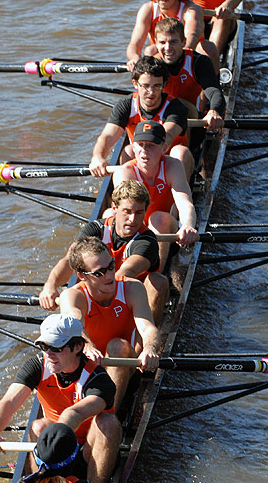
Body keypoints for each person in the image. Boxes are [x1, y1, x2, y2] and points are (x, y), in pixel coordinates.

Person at [0, 315, 121, 483]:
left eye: (56, 347)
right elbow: (8, 402)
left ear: (77, 347)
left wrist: (54, 439)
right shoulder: (37, 366)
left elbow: (75, 414)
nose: (48, 354)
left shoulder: (98, 379)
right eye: (44, 346)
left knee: (108, 423)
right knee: (38, 426)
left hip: (90, 452)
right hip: (54, 450)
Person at [39, 179, 169, 325]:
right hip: (101, 295)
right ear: (114, 207)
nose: (133, 220)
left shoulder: (147, 240)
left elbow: (127, 271)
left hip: (133, 302)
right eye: (127, 211)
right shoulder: (96, 230)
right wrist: (50, 286)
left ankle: (151, 339)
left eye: (139, 212)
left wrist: (82, 293)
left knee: (158, 281)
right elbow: (69, 261)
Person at [59, 237, 161, 413]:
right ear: (82, 275)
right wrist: (88, 346)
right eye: (99, 273)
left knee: (117, 346)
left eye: (111, 266)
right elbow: (73, 324)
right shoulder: (73, 296)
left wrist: (150, 348)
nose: (109, 276)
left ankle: (108, 414)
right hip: (91, 366)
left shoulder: (132, 288)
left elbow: (148, 328)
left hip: (126, 361)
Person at [88, 56, 194, 181]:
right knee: (128, 151)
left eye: (157, 86)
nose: (151, 92)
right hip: (140, 160)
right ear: (135, 84)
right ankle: (129, 194)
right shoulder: (126, 105)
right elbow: (107, 136)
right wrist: (98, 157)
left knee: (180, 152)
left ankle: (177, 198)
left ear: (164, 85)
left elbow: (167, 136)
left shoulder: (176, 108)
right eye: (146, 85)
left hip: (169, 166)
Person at [112, 120, 198, 270]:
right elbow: (122, 215)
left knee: (158, 218)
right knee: (108, 215)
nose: (144, 151)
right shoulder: (124, 172)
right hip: (135, 229)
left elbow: (185, 203)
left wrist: (188, 225)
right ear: (133, 146)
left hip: (166, 230)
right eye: (140, 145)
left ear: (164, 148)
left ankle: (157, 272)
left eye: (151, 146)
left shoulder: (173, 166)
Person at [126, 0, 219, 71]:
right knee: (150, 51)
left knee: (207, 48)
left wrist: (175, 59)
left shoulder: (191, 9)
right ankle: (156, 83)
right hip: (166, 52)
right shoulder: (147, 10)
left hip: (190, 54)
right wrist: (134, 58)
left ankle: (215, 82)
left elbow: (191, 39)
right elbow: (134, 44)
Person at [153, 17, 225, 132]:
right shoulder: (152, 65)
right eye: (162, 42)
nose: (167, 48)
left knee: (180, 105)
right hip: (160, 117)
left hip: (192, 120)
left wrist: (214, 111)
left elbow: (214, 91)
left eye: (173, 42)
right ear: (155, 43)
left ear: (184, 42)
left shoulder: (199, 62)